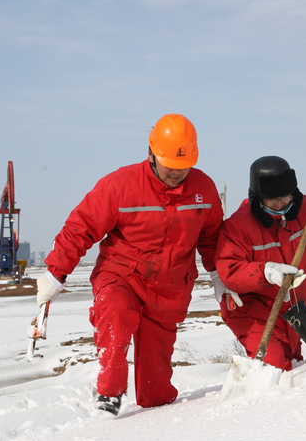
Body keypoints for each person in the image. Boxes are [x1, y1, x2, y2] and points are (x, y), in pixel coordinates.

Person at [35, 114, 232, 415]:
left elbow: (212, 237)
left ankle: (152, 431)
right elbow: (82, 226)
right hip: (121, 274)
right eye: (170, 166)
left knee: (156, 394)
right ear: (151, 153)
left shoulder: (203, 189)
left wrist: (220, 275)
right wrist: (55, 273)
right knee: (115, 316)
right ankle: (109, 396)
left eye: (184, 166)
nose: (177, 173)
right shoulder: (119, 186)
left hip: (169, 290)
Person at [214, 152, 306, 371]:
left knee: (294, 365)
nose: (280, 204)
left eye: (285, 197)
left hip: (293, 308)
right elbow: (229, 269)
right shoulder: (238, 226)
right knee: (275, 366)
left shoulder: (305, 209)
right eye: (273, 200)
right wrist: (266, 272)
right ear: (258, 196)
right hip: (253, 311)